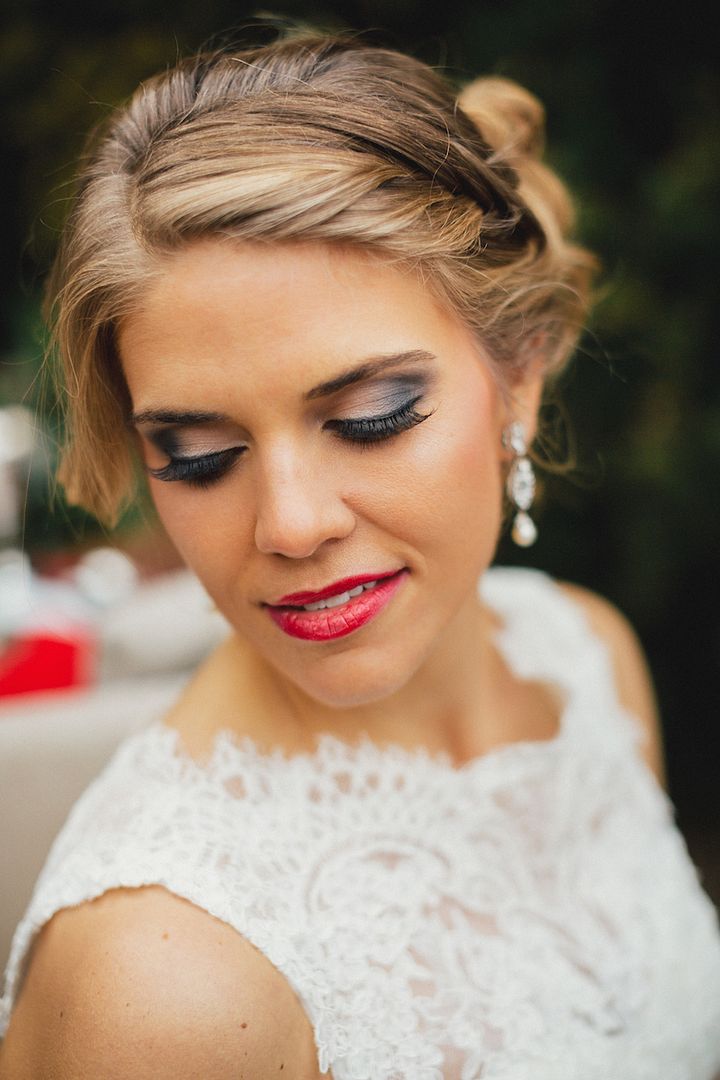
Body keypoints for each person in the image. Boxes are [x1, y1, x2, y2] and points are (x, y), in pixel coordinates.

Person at [1, 29, 719, 1080]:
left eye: (373, 416)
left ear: (518, 374)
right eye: (197, 456)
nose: (289, 525)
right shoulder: (163, 983)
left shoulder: (586, 658)